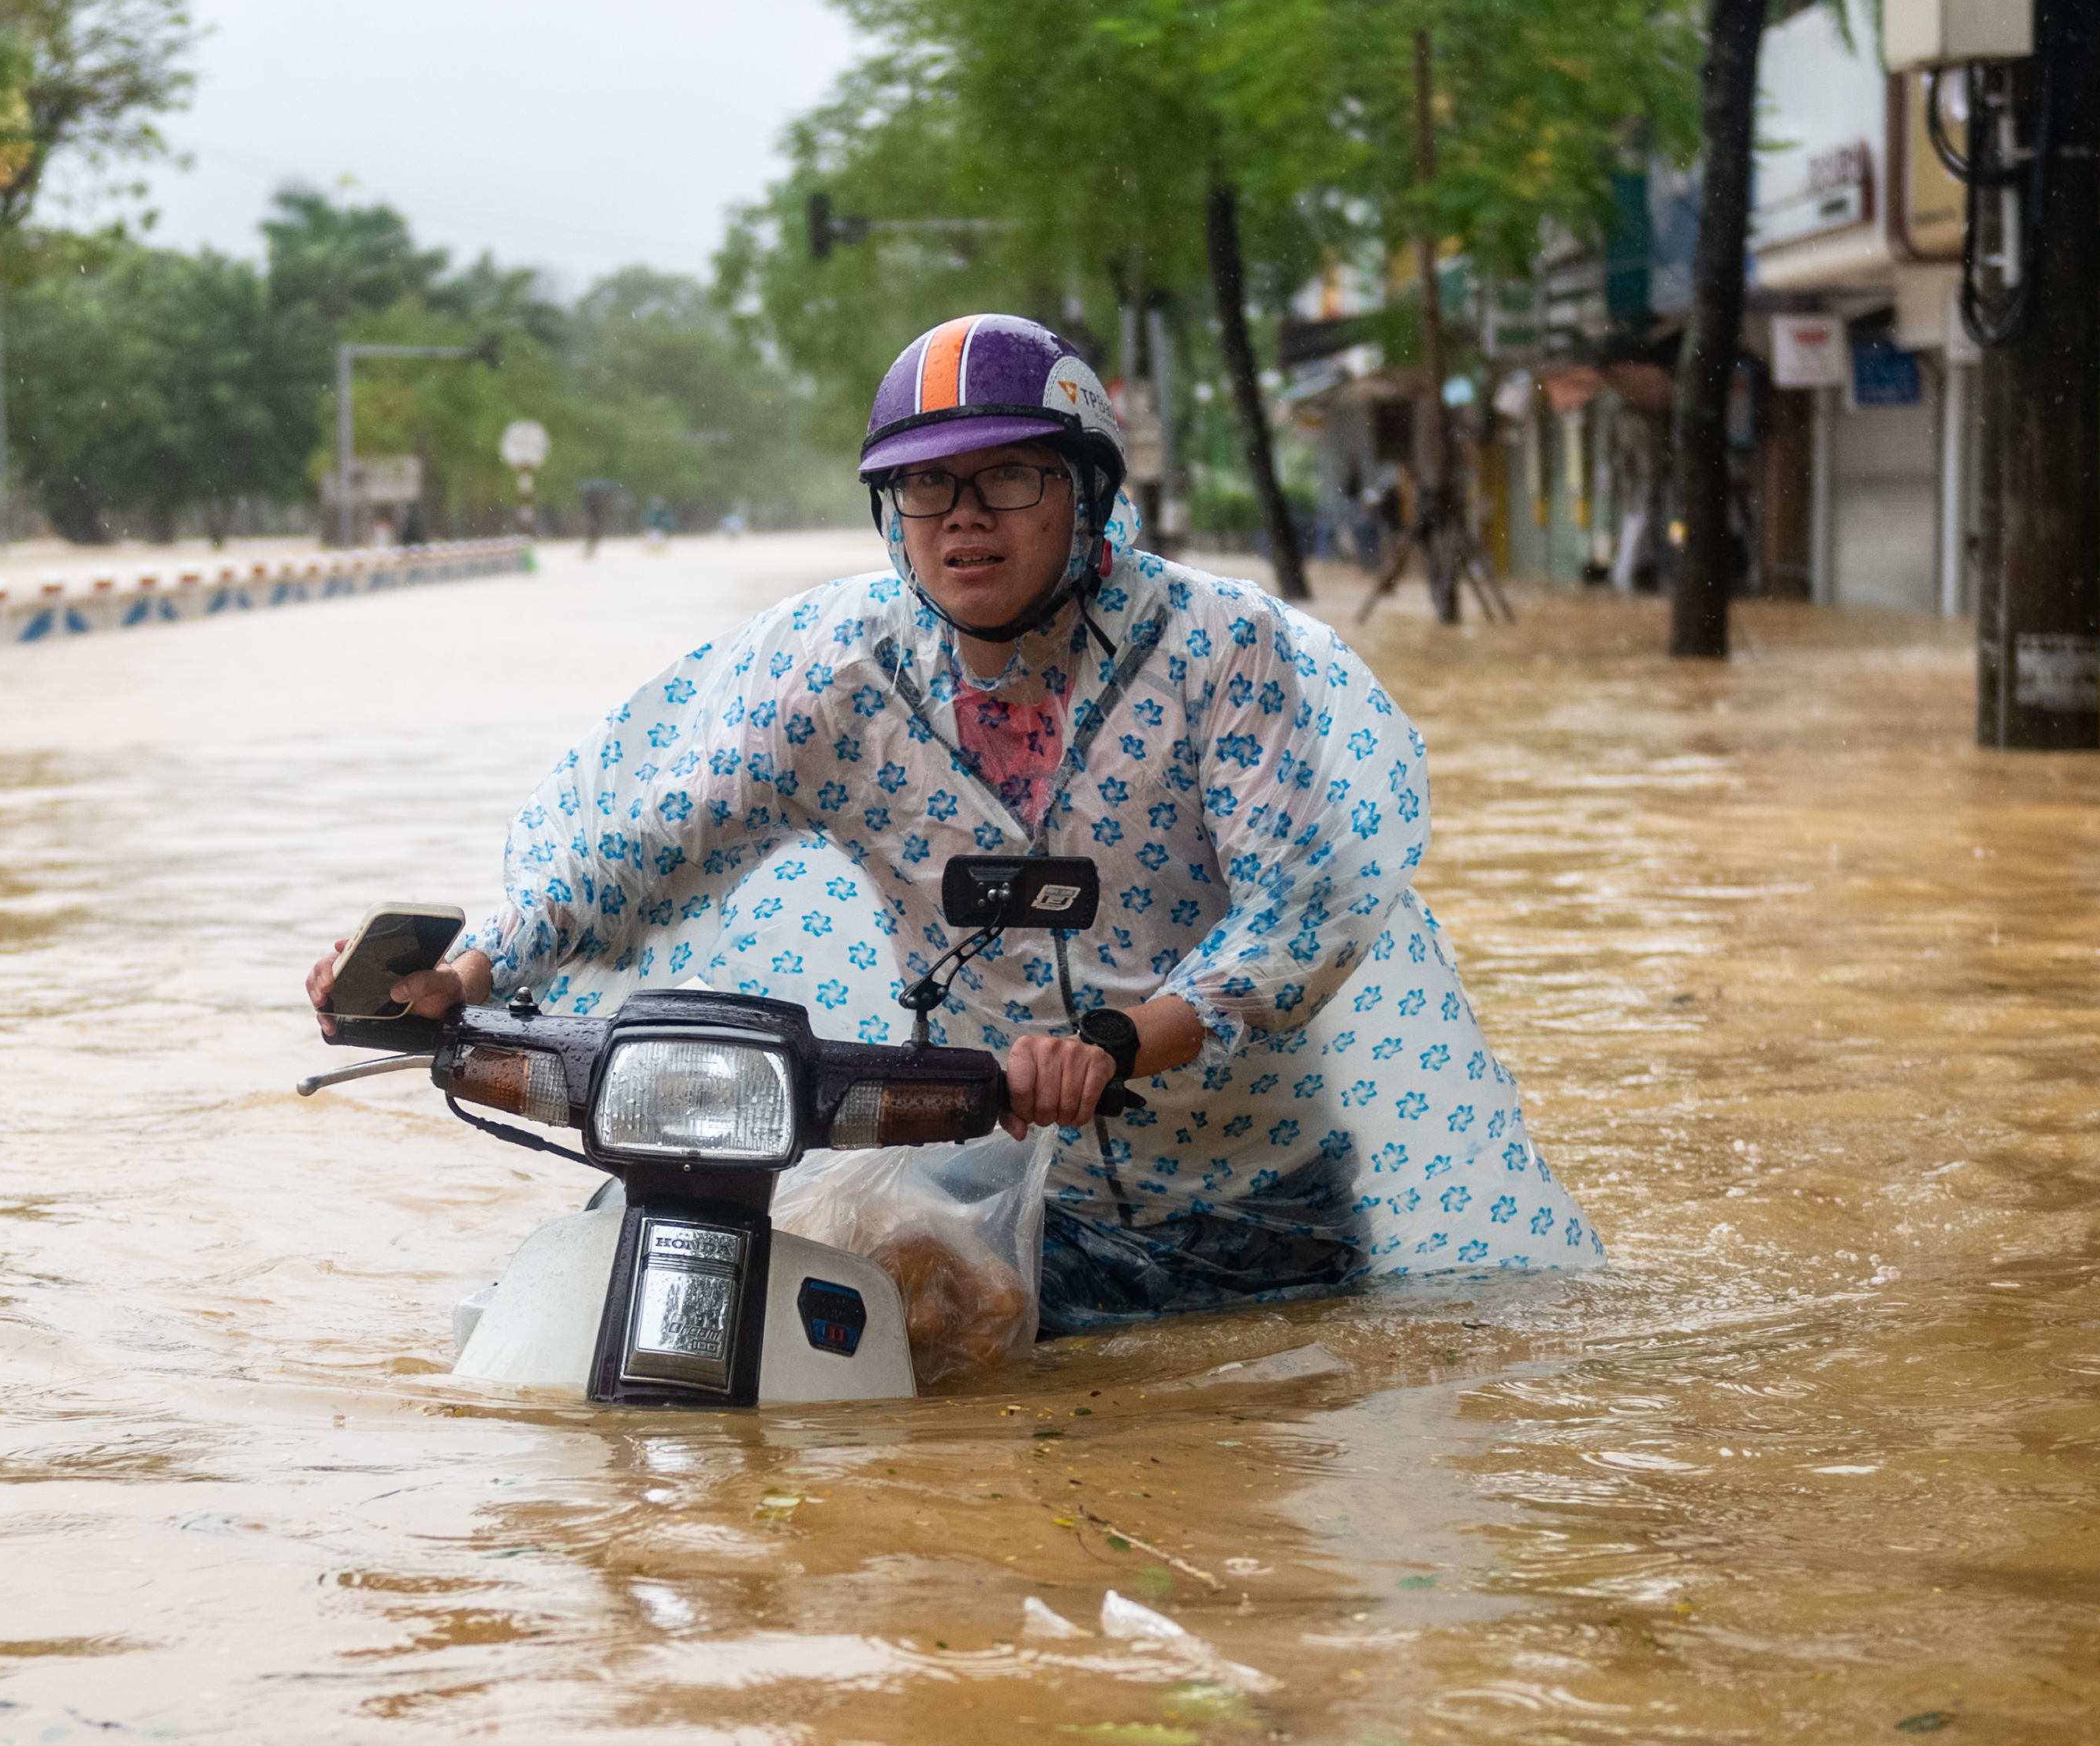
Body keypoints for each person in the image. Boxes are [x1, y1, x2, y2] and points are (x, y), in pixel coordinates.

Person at [309, 313, 1598, 1330]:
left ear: (1086, 495)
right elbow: (645, 854)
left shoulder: (1222, 653)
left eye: (1007, 478)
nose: (962, 517)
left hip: (1255, 1204)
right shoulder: (835, 679)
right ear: (891, 516)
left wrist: (1123, 1037)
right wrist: (473, 966)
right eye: (925, 490)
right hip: (999, 1189)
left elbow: (1302, 910)